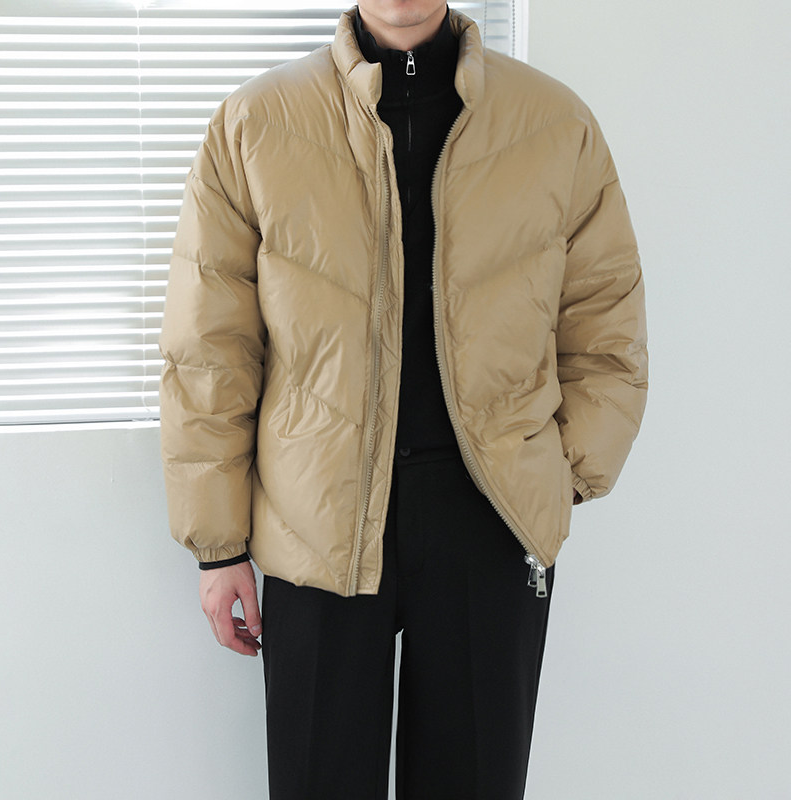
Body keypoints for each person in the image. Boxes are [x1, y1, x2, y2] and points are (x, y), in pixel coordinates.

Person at [158, 1, 648, 797]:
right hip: (315, 520)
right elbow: (210, 347)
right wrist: (218, 546)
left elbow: (607, 324)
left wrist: (560, 477)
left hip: (488, 523)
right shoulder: (257, 123)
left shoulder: (554, 123)